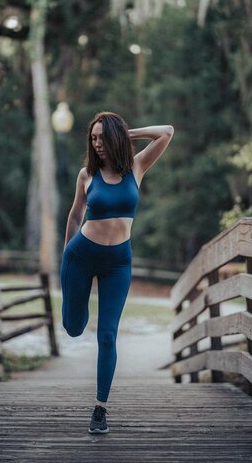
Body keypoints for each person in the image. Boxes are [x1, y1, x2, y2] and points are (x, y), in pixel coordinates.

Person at [60, 111, 174, 434]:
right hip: (80, 257)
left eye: (101, 137)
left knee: (107, 334)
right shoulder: (86, 175)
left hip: (118, 263)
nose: (96, 144)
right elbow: (74, 217)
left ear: (114, 137)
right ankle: (72, 309)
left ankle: (100, 408)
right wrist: (65, 261)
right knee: (72, 327)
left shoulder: (136, 168)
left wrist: (126, 132)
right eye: (93, 138)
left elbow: (166, 130)